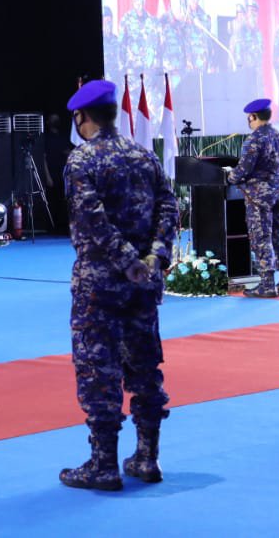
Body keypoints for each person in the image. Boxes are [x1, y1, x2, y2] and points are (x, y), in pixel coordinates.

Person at [60, 79, 178, 491]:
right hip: (143, 285)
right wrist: (154, 258)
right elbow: (169, 206)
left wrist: (127, 263)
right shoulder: (143, 155)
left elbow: (92, 220)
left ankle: (104, 464)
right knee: (145, 369)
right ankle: (147, 456)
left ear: (82, 117)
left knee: (99, 371)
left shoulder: (82, 160)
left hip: (100, 285)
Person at [228, 98, 279, 297]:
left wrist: (230, 176)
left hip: (260, 196)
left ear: (253, 117)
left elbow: (243, 170)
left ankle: (267, 284)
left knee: (261, 237)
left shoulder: (254, 140)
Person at [120, 0, 158, 80]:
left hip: (150, 79)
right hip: (132, 79)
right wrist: (123, 77)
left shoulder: (153, 22)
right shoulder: (125, 20)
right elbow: (120, 51)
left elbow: (157, 50)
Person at [101, 6, 121, 81]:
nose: (108, 24)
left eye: (109, 21)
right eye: (105, 22)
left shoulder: (117, 41)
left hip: (117, 81)